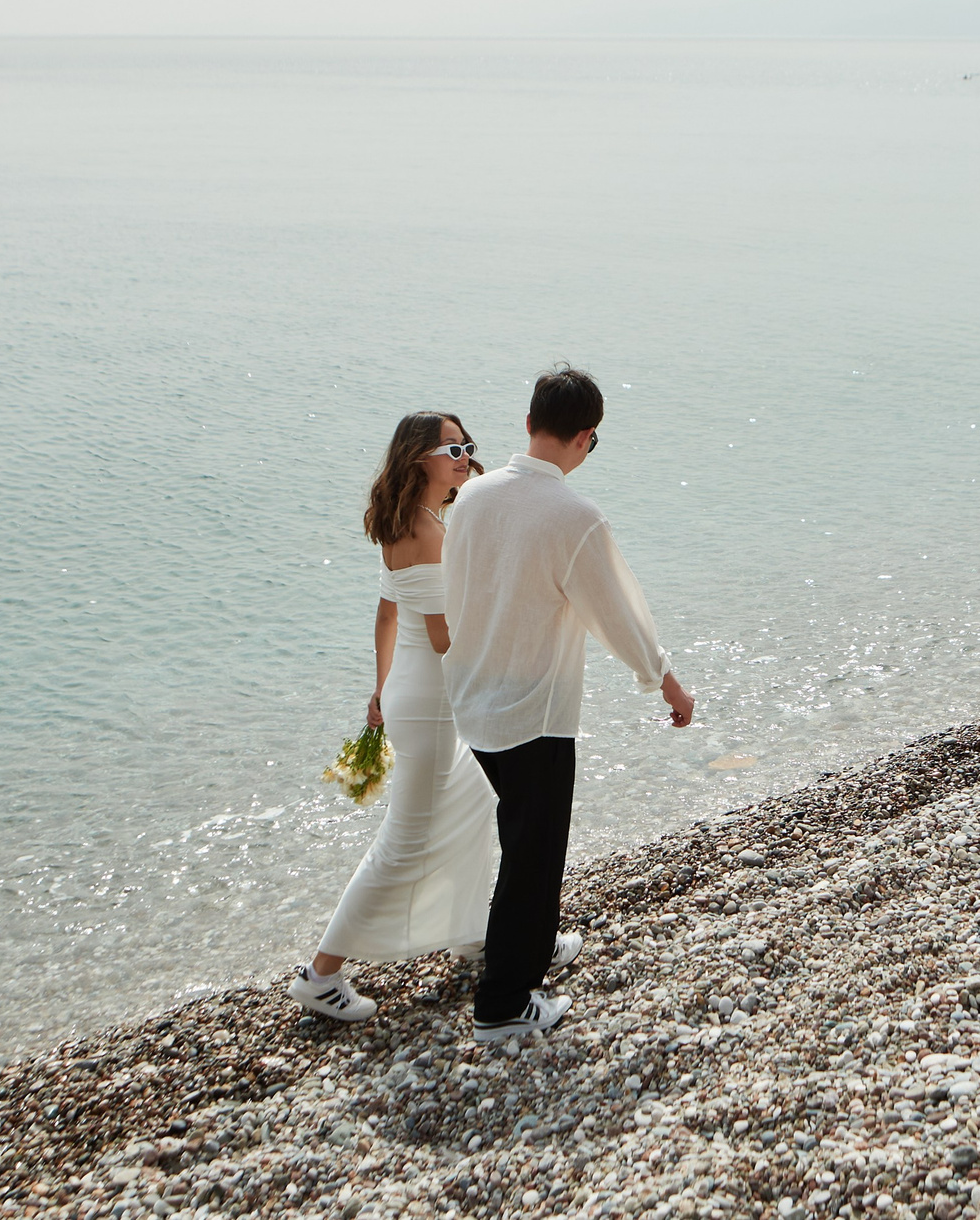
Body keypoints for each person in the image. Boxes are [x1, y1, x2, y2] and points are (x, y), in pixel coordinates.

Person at [442, 365, 694, 1042]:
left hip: (474, 700)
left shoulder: (471, 495)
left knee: (519, 836)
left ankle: (531, 939)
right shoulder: (573, 516)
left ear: (528, 423)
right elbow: (619, 614)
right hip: (534, 711)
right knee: (534, 850)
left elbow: (456, 592)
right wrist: (665, 681)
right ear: (585, 437)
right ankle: (503, 1002)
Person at [287, 411, 506, 1023]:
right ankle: (321, 975)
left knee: (476, 797)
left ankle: (471, 933)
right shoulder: (430, 533)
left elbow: (388, 614)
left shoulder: (407, 522)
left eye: (468, 447)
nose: (464, 457)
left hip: (412, 696)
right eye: (452, 449)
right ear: (419, 459)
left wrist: (380, 689)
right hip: (434, 705)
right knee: (403, 846)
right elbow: (444, 638)